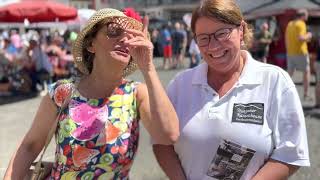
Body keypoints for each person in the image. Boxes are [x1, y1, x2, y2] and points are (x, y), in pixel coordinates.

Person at [4, 8, 179, 180]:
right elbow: (30, 146)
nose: (125, 39)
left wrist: (148, 68)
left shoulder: (136, 93)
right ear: (91, 44)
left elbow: (168, 135)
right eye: (114, 31)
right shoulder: (63, 92)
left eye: (131, 36)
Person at [153, 0, 310, 180]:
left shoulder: (274, 81)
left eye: (222, 33)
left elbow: (290, 153)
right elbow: (161, 142)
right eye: (203, 38)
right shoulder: (180, 85)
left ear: (241, 30)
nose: (213, 46)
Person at [285, 9, 312, 100]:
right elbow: (301, 38)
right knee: (306, 72)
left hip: (290, 52)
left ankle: (282, 91)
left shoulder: (290, 24)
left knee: (289, 74)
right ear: (303, 16)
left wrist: (288, 49)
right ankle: (306, 94)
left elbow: (286, 38)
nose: (307, 17)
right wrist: (309, 35)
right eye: (307, 15)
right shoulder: (301, 24)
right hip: (301, 52)